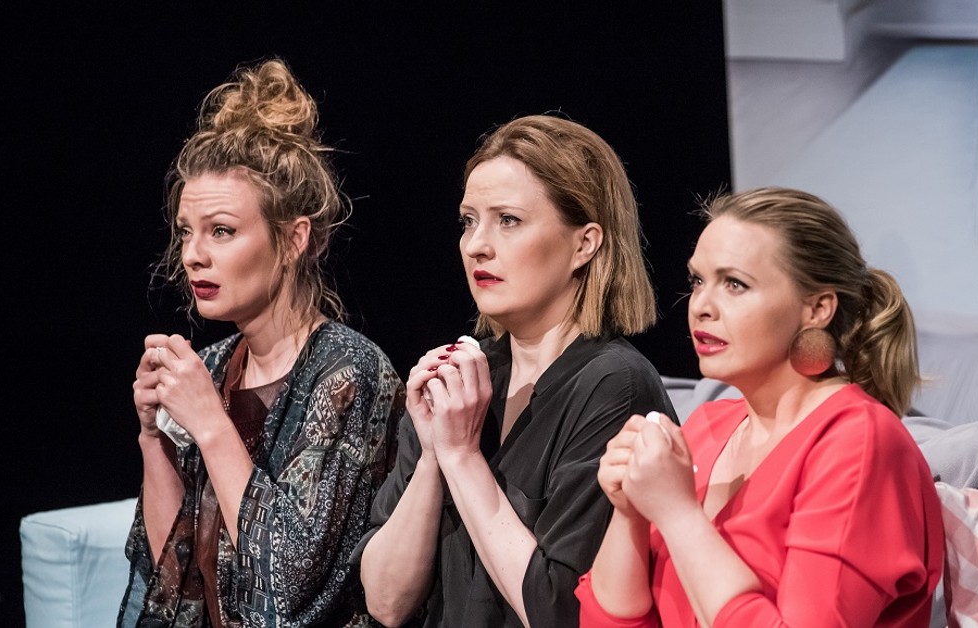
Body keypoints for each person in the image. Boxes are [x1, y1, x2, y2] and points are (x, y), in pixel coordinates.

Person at [354, 114, 676, 627]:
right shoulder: (461, 378)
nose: (476, 245)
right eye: (468, 221)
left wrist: (462, 457)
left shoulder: (614, 384)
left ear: (584, 244)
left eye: (508, 220)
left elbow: (560, 611)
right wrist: (434, 454)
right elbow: (386, 602)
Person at [118, 58, 404, 627]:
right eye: (186, 232)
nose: (192, 255)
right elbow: (170, 579)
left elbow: (285, 586)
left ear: (294, 239)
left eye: (221, 231)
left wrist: (209, 422)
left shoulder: (348, 372)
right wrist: (153, 438)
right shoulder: (212, 365)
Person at [576, 187, 945, 626]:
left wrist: (677, 513)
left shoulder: (859, 442)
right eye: (698, 281)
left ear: (817, 309)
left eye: (735, 284)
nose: (701, 307)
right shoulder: (708, 426)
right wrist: (630, 511)